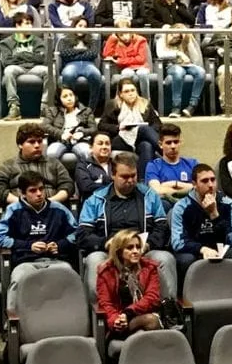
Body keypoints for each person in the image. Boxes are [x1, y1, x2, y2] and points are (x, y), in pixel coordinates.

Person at [77, 153, 176, 298]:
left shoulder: (149, 195)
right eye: (124, 177)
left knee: (165, 259)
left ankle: (168, 308)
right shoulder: (96, 199)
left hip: (142, 250)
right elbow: (82, 234)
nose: (130, 180)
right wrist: (105, 243)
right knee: (94, 261)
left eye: (133, 176)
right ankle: (101, 314)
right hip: (109, 252)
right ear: (113, 175)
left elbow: (162, 227)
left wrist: (148, 244)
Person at [0, 170, 78, 309]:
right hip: (25, 262)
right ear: (22, 193)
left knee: (70, 275)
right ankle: (12, 320)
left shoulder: (59, 209)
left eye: (41, 189)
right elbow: (0, 238)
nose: (39, 194)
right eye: (33, 190)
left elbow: (76, 233)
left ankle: (74, 317)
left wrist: (60, 245)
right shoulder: (13, 210)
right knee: (18, 279)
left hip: (56, 261)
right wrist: (28, 246)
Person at [168, 163, 232, 280]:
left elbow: (231, 240)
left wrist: (214, 214)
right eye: (205, 181)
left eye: (213, 180)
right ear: (194, 184)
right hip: (195, 251)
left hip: (220, 250)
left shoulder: (228, 204)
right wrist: (202, 249)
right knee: (185, 260)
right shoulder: (181, 207)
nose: (210, 185)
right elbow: (177, 243)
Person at [96, 229, 165, 341]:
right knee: (149, 322)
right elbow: (105, 303)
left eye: (138, 247)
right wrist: (116, 320)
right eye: (130, 248)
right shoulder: (106, 271)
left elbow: (152, 298)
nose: (136, 251)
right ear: (119, 251)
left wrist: (129, 313)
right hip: (121, 322)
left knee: (150, 320)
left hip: (142, 315)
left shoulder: (149, 267)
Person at [0, 124, 74, 207]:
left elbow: (68, 185)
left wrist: (50, 202)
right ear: (20, 145)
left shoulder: (54, 163)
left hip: (52, 211)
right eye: (31, 142)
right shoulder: (8, 165)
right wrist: (20, 203)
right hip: (20, 213)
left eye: (40, 141)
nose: (37, 145)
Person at [98, 77, 165, 168]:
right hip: (121, 139)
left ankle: (143, 180)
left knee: (147, 145)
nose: (130, 94)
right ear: (120, 94)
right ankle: (167, 152)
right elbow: (101, 125)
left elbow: (158, 124)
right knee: (143, 129)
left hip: (141, 139)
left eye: (133, 90)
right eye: (126, 91)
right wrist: (118, 127)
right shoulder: (113, 105)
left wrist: (148, 130)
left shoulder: (145, 104)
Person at [144, 122, 198, 208]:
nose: (173, 146)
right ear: (160, 144)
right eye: (168, 143)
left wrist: (174, 184)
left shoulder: (192, 163)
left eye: (176, 142)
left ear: (180, 142)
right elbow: (156, 191)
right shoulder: (153, 166)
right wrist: (187, 189)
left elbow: (200, 188)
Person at [75, 131, 114, 197]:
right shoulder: (83, 165)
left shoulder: (117, 163)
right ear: (91, 147)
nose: (104, 147)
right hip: (93, 204)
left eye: (107, 144)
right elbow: (86, 187)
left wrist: (100, 181)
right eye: (100, 143)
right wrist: (112, 183)